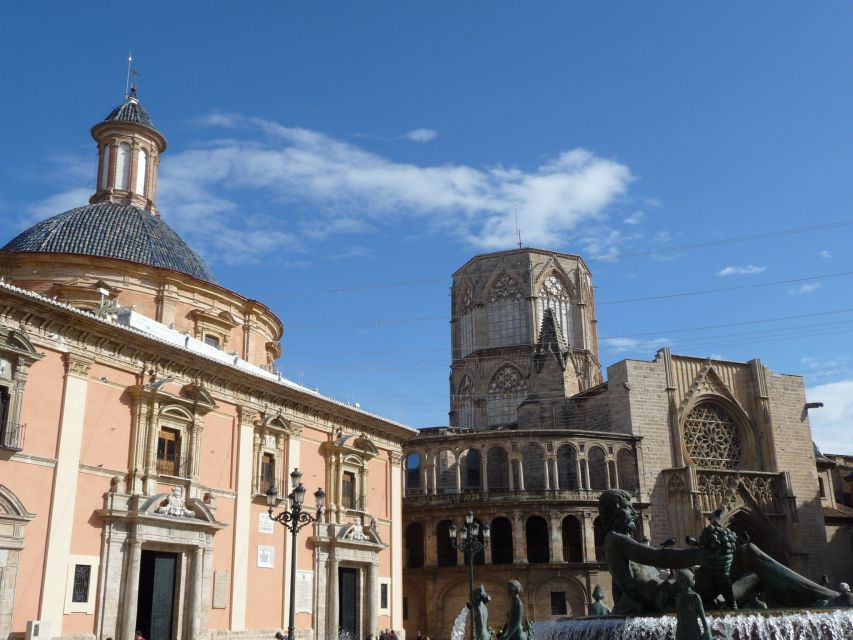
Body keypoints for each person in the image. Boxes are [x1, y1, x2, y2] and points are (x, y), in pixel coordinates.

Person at [675, 573, 711, 640]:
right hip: (681, 633)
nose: (681, 582)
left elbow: (702, 617)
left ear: (689, 581)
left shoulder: (695, 597)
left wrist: (707, 631)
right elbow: (678, 616)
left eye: (683, 580)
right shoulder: (678, 597)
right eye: (680, 580)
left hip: (693, 632)